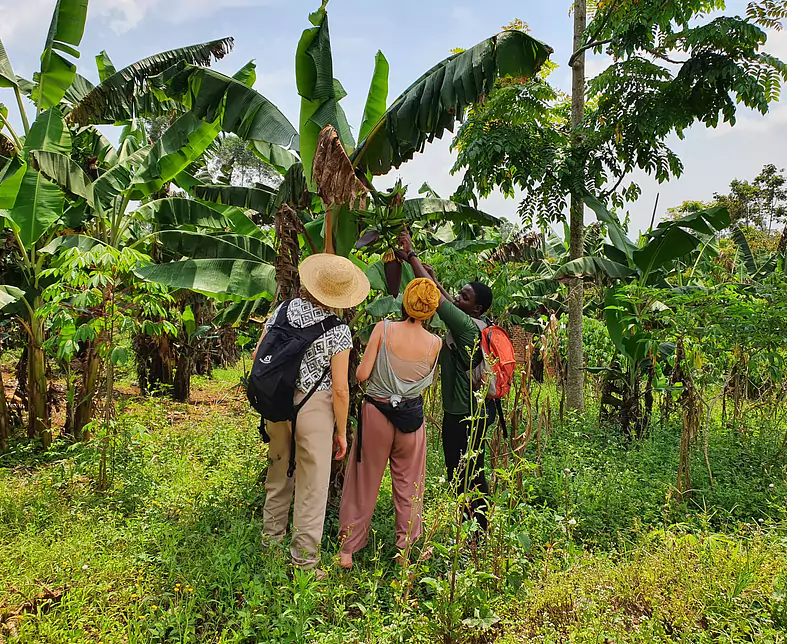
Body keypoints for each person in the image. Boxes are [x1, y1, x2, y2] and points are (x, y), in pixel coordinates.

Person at [256, 254, 370, 577]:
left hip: (277, 405)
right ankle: (304, 564)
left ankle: (271, 547)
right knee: (312, 487)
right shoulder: (338, 331)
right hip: (314, 408)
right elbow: (340, 390)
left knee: (278, 475)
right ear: (340, 295)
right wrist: (341, 430)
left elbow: (258, 354)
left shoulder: (282, 311)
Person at [337, 278, 442, 569]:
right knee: (410, 487)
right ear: (431, 310)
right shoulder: (436, 343)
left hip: (377, 415)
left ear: (405, 301)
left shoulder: (383, 329)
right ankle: (404, 553)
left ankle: (347, 550)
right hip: (412, 421)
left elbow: (361, 375)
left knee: (363, 482)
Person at [398, 231, 496, 532]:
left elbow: (437, 300)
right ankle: (473, 528)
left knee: (465, 471)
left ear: (476, 308)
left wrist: (411, 255)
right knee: (469, 469)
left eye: (464, 297)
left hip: (465, 415)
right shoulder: (478, 323)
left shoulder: (467, 328)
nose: (457, 298)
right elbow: (445, 297)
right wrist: (430, 274)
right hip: (476, 411)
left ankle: (475, 532)